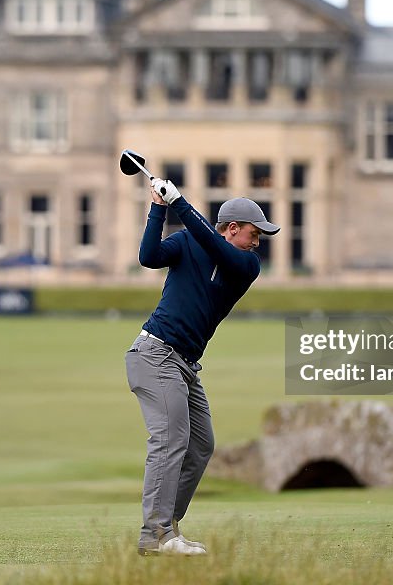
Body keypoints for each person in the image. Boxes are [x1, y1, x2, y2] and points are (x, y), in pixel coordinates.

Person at [125, 178, 279, 556]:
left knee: (201, 446)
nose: (258, 241)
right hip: (155, 353)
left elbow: (214, 246)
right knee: (170, 441)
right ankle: (157, 535)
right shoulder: (188, 241)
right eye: (253, 233)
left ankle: (167, 529)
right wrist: (160, 208)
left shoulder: (245, 265)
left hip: (185, 365)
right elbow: (148, 257)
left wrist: (181, 204)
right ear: (232, 228)